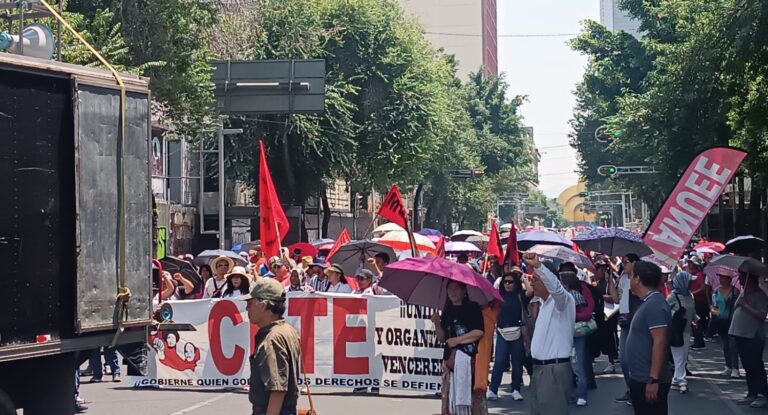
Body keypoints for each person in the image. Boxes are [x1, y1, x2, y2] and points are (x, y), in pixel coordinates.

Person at [521, 252, 575, 415]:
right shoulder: (543, 304)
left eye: (535, 279)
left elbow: (556, 288)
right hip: (540, 369)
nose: (531, 282)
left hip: (553, 370)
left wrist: (539, 266)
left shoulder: (562, 301)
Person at [237, 278, 301, 415]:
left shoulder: (272, 339)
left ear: (263, 305)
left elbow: (277, 390)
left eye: (250, 303)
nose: (247, 308)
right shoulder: (287, 330)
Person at [625, 261, 673, 414]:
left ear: (638, 279)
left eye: (631, 276)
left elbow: (660, 341)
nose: (630, 279)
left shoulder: (654, 304)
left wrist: (653, 379)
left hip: (648, 379)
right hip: (641, 377)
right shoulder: (648, 302)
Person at [431, 280, 484, 415]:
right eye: (450, 289)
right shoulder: (447, 310)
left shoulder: (473, 308)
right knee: (450, 400)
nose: (452, 292)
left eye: (456, 288)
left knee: (472, 401)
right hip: (450, 362)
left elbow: (478, 332)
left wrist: (457, 340)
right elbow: (442, 338)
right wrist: (437, 323)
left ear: (464, 291)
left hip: (470, 361)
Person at [487, 268, 529, 402]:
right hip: (501, 332)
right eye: (505, 282)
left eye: (511, 282)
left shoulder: (520, 295)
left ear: (516, 283)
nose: (507, 284)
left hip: (517, 332)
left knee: (517, 362)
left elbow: (531, 291)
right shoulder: (498, 296)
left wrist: (523, 278)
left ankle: (516, 389)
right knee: (499, 362)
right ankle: (493, 389)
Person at [728, 273, 768, 408]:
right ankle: (752, 393)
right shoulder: (743, 292)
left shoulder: (760, 295)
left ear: (749, 279)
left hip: (753, 335)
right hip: (740, 333)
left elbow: (762, 315)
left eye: (742, 277)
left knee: (756, 365)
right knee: (748, 366)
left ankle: (763, 394)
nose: (739, 280)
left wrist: (745, 304)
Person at [561, 271, 595, 407]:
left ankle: (582, 394)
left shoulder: (575, 295)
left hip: (577, 332)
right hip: (566, 332)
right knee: (568, 364)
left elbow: (586, 314)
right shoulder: (563, 295)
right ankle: (571, 394)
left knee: (578, 363)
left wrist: (572, 315)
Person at [615, 253, 641, 404]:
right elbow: (616, 298)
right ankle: (630, 388)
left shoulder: (638, 279)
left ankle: (637, 391)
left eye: (626, 262)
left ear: (635, 263)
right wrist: (613, 282)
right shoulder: (623, 278)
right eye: (623, 262)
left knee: (636, 359)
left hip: (636, 322)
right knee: (624, 360)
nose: (623, 264)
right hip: (624, 321)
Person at [666, 271, 697, 393]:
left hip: (687, 330)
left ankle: (675, 380)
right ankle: (682, 380)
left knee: (683, 357)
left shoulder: (689, 295)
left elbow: (693, 310)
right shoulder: (672, 297)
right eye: (689, 282)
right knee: (679, 357)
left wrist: (695, 319)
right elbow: (664, 311)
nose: (691, 284)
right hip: (676, 331)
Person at [711, 272, 740, 378]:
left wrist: (731, 302)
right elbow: (714, 305)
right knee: (725, 344)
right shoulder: (716, 291)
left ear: (729, 279)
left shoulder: (735, 291)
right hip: (720, 319)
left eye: (723, 278)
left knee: (733, 343)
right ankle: (728, 366)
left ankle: (735, 368)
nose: (721, 280)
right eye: (720, 278)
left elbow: (738, 304)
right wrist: (713, 311)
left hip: (731, 319)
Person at [688, 256, 710, 349]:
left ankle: (699, 342)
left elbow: (703, 287)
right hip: (694, 301)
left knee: (696, 322)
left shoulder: (699, 275)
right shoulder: (691, 274)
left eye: (691, 262)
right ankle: (698, 341)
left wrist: (693, 293)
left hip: (699, 301)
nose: (689, 264)